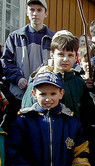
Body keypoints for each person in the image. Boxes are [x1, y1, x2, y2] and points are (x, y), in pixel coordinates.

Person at [5, 71, 91, 166]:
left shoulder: (72, 122)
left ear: (61, 93)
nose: (48, 99)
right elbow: (13, 152)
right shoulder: (23, 122)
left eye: (53, 94)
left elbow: (81, 152)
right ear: (33, 93)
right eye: (42, 94)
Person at [1, 0, 54, 130]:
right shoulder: (14, 37)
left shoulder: (53, 39)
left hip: (44, 98)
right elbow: (6, 62)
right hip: (18, 97)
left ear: (46, 13)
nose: (35, 13)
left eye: (39, 10)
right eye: (31, 9)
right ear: (26, 12)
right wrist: (18, 78)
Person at [21, 34, 86, 120]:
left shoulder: (79, 83)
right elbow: (27, 111)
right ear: (52, 54)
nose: (65, 59)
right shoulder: (39, 81)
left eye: (70, 55)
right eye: (61, 54)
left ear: (75, 57)